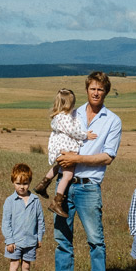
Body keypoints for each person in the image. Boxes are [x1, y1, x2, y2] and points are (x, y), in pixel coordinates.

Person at [40, 71, 122, 271]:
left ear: (106, 92)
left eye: (100, 89)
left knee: (96, 241)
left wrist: (77, 157)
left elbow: (107, 157)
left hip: (88, 188)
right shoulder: (72, 111)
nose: (96, 92)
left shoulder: (112, 120)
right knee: (62, 238)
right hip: (63, 186)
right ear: (87, 90)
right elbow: (57, 132)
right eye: (92, 88)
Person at [33, 88, 96, 218]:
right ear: (69, 104)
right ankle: (57, 202)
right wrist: (85, 135)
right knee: (68, 175)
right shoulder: (65, 118)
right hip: (66, 149)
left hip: (58, 149)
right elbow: (72, 131)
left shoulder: (57, 117)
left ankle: (43, 184)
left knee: (58, 167)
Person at [1, 163, 45, 271]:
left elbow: (40, 220)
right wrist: (9, 241)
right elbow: (6, 222)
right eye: (18, 183)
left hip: (30, 241)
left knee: (26, 266)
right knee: (14, 265)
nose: (22, 187)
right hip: (15, 242)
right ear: (13, 182)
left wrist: (39, 237)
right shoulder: (9, 201)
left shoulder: (35, 200)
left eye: (25, 183)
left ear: (29, 182)